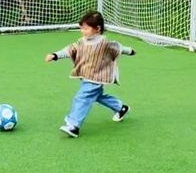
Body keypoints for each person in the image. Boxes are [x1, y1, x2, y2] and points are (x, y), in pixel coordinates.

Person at [45, 10, 136, 138]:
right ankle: (121, 108)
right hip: (86, 76)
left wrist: (130, 51)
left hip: (97, 78)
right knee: (98, 96)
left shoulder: (104, 43)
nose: (83, 31)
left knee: (82, 98)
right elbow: (69, 50)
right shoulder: (81, 42)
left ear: (97, 28)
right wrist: (55, 55)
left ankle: (73, 125)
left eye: (86, 29)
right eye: (81, 28)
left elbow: (118, 47)